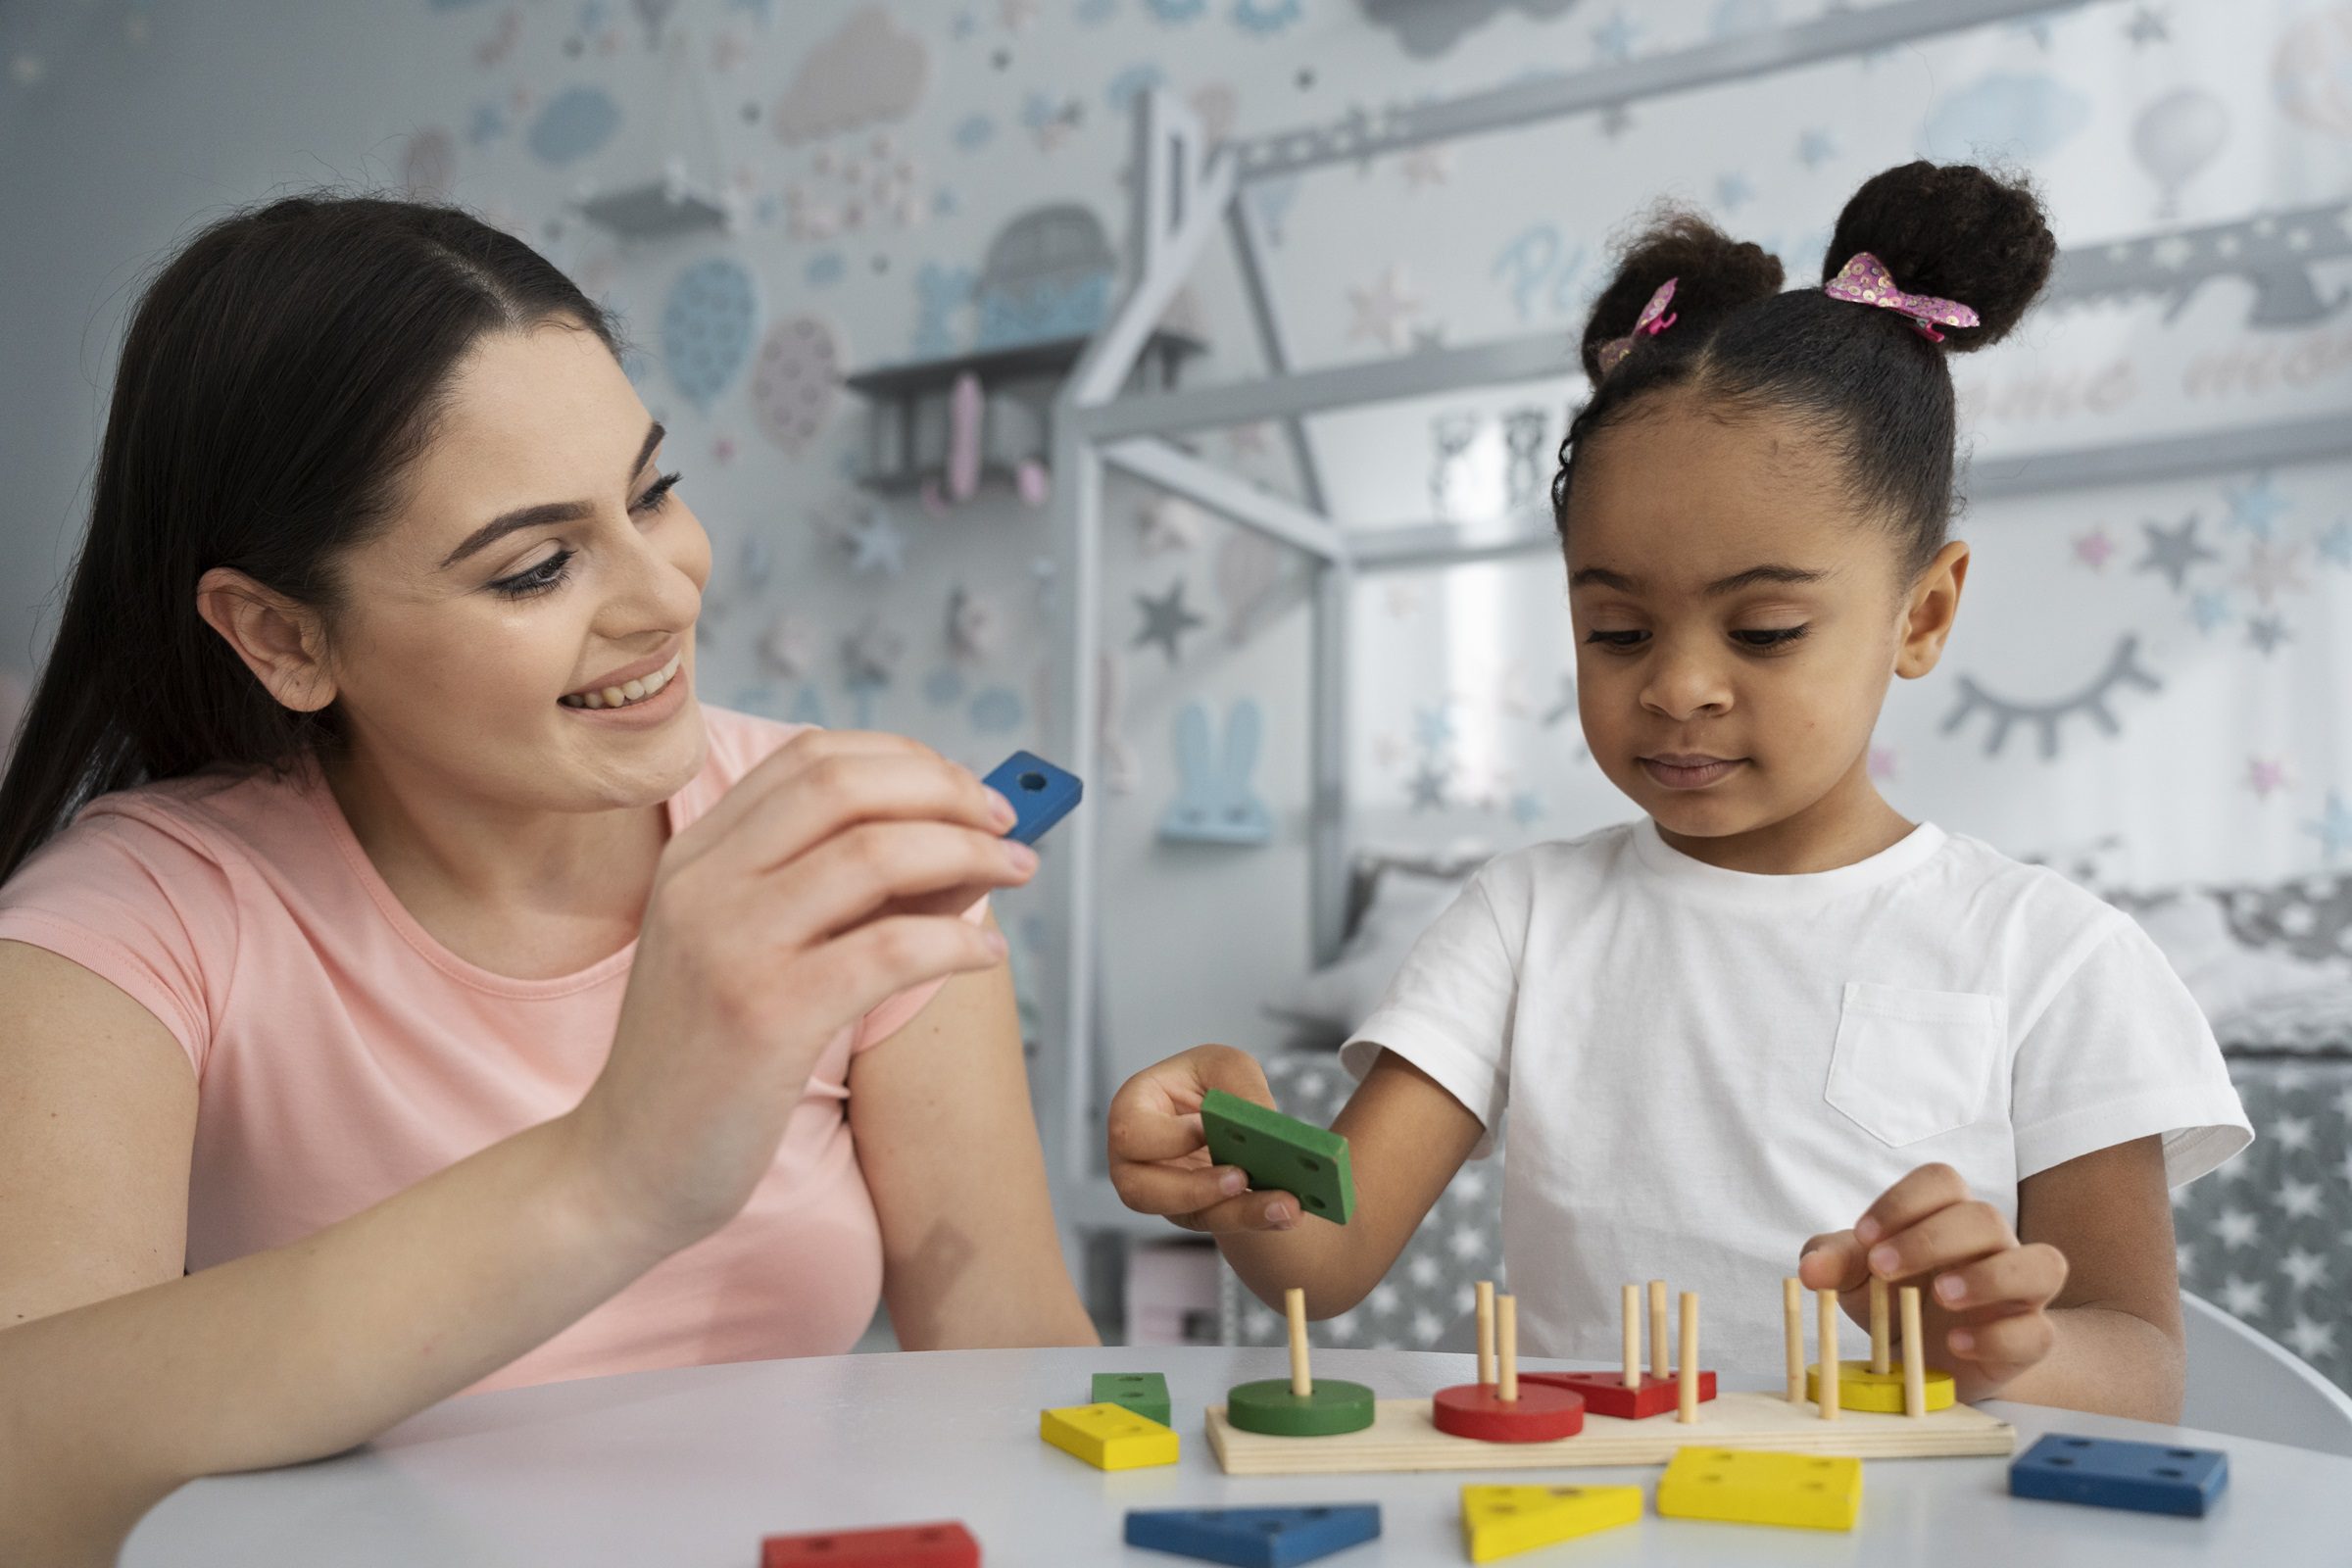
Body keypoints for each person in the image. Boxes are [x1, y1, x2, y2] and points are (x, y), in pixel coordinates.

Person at [0, 194, 1093, 1566]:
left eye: (652, 493)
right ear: (281, 634)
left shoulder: (835, 838)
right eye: (536, 567)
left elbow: (1019, 1375)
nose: (665, 596)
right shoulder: (140, 918)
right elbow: (19, 1472)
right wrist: (616, 1172)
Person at [1107, 162, 2250, 1422]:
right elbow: (1321, 1262)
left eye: (1762, 631)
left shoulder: (2058, 957)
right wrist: (1229, 1154)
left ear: (1921, 615)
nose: (1678, 688)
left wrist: (2001, 1345)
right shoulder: (1523, 919)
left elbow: (2142, 1370)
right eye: (1617, 632)